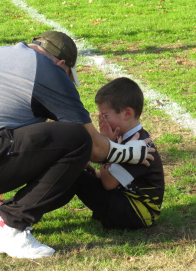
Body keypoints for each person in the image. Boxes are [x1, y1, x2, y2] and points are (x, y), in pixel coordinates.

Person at [0, 31, 154, 259]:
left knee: (2, 129)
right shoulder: (50, 71)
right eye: (68, 76)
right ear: (61, 66)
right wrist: (130, 152)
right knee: (76, 138)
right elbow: (93, 147)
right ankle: (11, 225)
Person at [59, 77, 164, 230]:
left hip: (137, 214)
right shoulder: (125, 137)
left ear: (127, 114)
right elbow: (110, 175)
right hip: (128, 204)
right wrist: (94, 173)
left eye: (105, 115)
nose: (101, 121)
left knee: (77, 178)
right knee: (76, 170)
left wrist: (107, 147)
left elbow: (109, 184)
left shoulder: (139, 145)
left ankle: (28, 212)